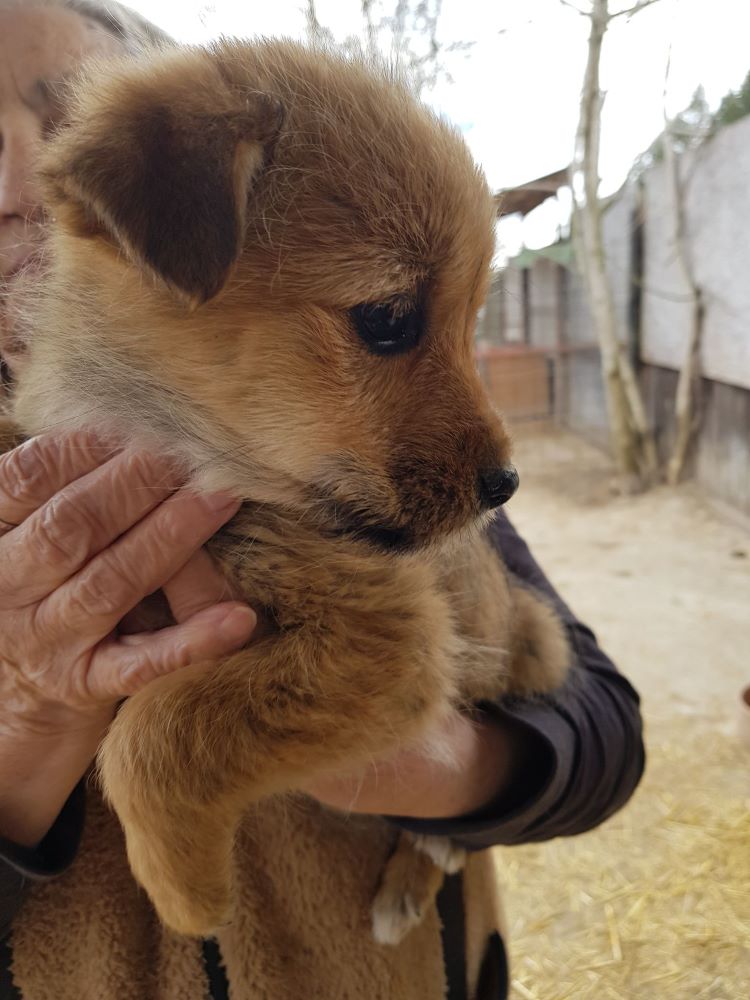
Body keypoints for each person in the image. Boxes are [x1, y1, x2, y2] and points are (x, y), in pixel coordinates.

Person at [0, 3, 645, 998]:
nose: (18, 184)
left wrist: (449, 775)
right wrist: (27, 745)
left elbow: (599, 725)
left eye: (56, 121)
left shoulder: (330, 472)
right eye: (389, 318)